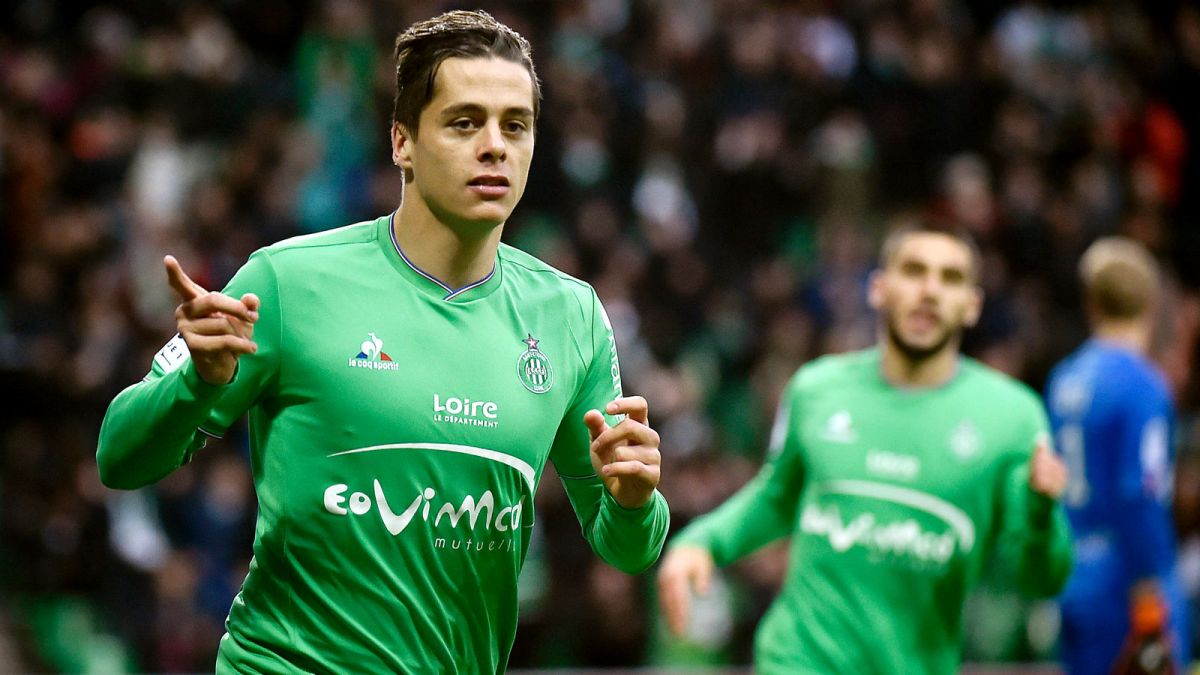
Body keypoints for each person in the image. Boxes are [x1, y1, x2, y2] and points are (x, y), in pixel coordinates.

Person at [96, 10, 668, 673]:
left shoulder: (572, 317)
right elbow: (119, 455)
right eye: (464, 122)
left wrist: (634, 502)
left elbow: (627, 547)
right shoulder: (287, 282)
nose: (495, 145)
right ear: (402, 142)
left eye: (516, 124)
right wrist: (199, 382)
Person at [657, 223, 1073, 674]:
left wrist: (1041, 514)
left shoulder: (1012, 417)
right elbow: (777, 497)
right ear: (878, 288)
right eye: (914, 271)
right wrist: (702, 542)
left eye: (950, 278)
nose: (930, 290)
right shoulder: (816, 389)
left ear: (972, 306)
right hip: (798, 658)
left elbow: (1041, 578)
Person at [1046, 237, 1189, 674]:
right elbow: (1140, 491)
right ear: (1151, 302)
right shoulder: (1142, 384)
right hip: (1127, 581)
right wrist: (1149, 590)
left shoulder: (1063, 378)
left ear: (1091, 301)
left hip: (1073, 573)